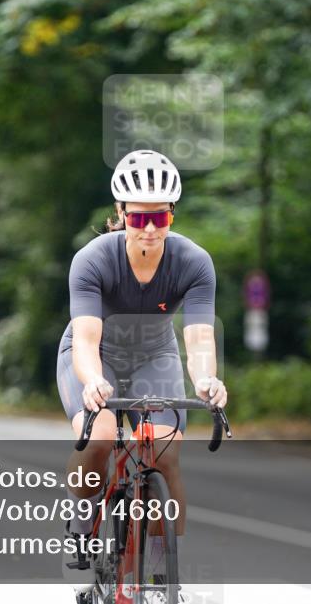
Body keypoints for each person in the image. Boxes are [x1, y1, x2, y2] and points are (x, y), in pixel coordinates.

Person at [57, 150, 228, 592]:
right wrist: (94, 381)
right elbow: (88, 339)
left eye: (159, 218)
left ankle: (159, 573)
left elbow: (199, 338)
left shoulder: (194, 262)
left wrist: (207, 378)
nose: (149, 229)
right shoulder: (93, 259)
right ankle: (82, 516)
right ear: (120, 214)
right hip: (98, 355)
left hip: (155, 356)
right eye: (137, 220)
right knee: (98, 439)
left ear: (172, 214)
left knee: (166, 456)